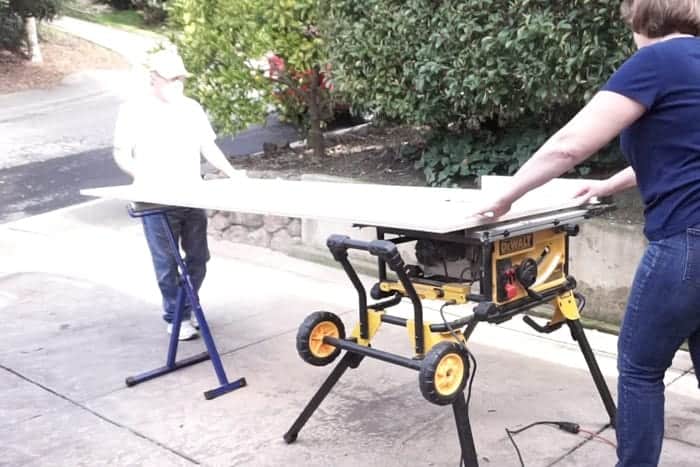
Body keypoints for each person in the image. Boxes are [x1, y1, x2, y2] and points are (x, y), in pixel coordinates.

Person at [474, 1, 700, 465]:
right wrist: (609, 184)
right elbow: (683, 151)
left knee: (639, 369)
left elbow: (568, 146)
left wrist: (506, 196)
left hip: (685, 245)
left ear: (644, 19)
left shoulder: (655, 62)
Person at [113, 49, 244, 341]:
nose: (177, 85)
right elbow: (121, 153)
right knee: (166, 263)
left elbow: (208, 147)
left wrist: (232, 173)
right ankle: (176, 317)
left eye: (181, 79)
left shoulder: (191, 108)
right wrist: (142, 176)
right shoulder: (133, 110)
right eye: (171, 79)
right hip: (155, 200)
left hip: (190, 196)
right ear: (154, 79)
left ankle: (187, 306)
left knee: (198, 257)